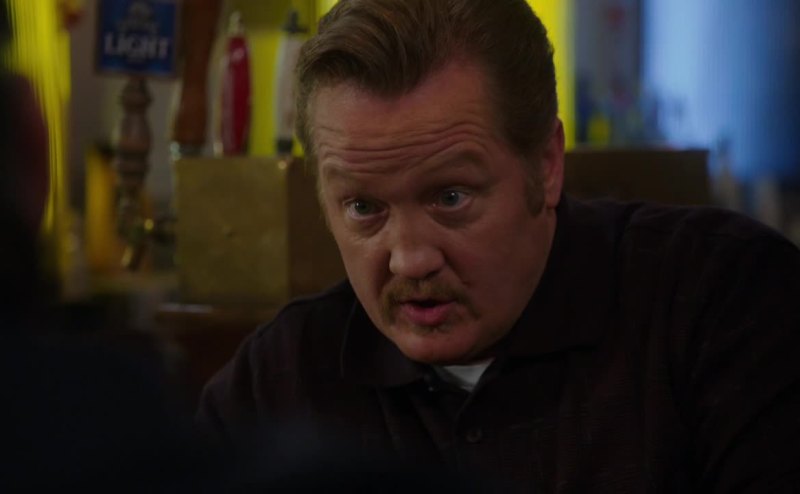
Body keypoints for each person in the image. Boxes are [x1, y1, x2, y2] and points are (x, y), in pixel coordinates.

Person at [197, 0, 800, 491]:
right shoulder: (279, 383)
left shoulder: (722, 301)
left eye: (451, 197)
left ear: (547, 165)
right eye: (363, 208)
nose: (409, 258)